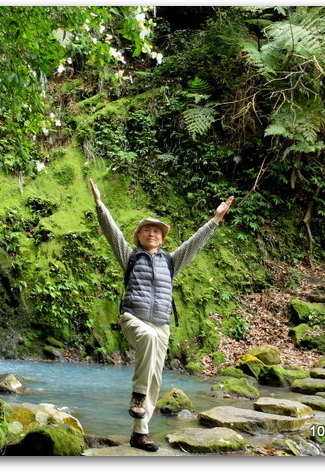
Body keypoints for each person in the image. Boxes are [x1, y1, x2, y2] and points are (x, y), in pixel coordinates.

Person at [89, 178, 233, 452]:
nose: (152, 233)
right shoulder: (130, 256)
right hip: (134, 318)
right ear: (139, 236)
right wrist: (99, 204)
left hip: (162, 324)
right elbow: (112, 233)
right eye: (146, 230)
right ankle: (138, 395)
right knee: (147, 340)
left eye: (157, 231)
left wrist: (215, 219)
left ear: (163, 238)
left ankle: (139, 434)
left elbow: (194, 244)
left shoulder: (171, 261)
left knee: (156, 377)